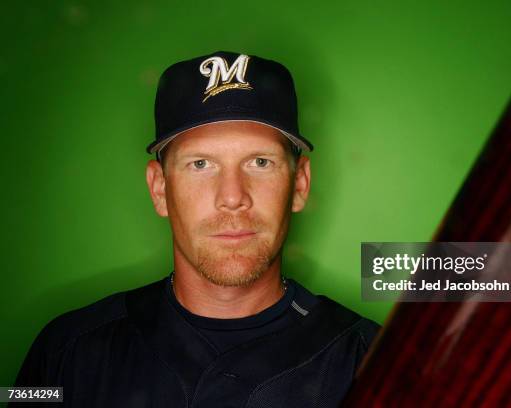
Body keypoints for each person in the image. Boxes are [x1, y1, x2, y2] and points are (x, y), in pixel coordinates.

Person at [12, 51, 380, 407]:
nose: (233, 197)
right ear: (160, 189)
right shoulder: (65, 353)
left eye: (260, 162)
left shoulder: (371, 362)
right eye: (201, 164)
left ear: (300, 184)